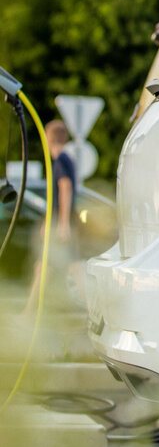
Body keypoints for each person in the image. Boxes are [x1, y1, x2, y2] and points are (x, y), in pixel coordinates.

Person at [23, 119, 86, 314]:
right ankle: (29, 312)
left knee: (64, 267)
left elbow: (65, 188)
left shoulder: (60, 160)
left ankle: (28, 314)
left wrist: (62, 223)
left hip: (62, 222)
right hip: (61, 220)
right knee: (51, 267)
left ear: (49, 139)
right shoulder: (67, 159)